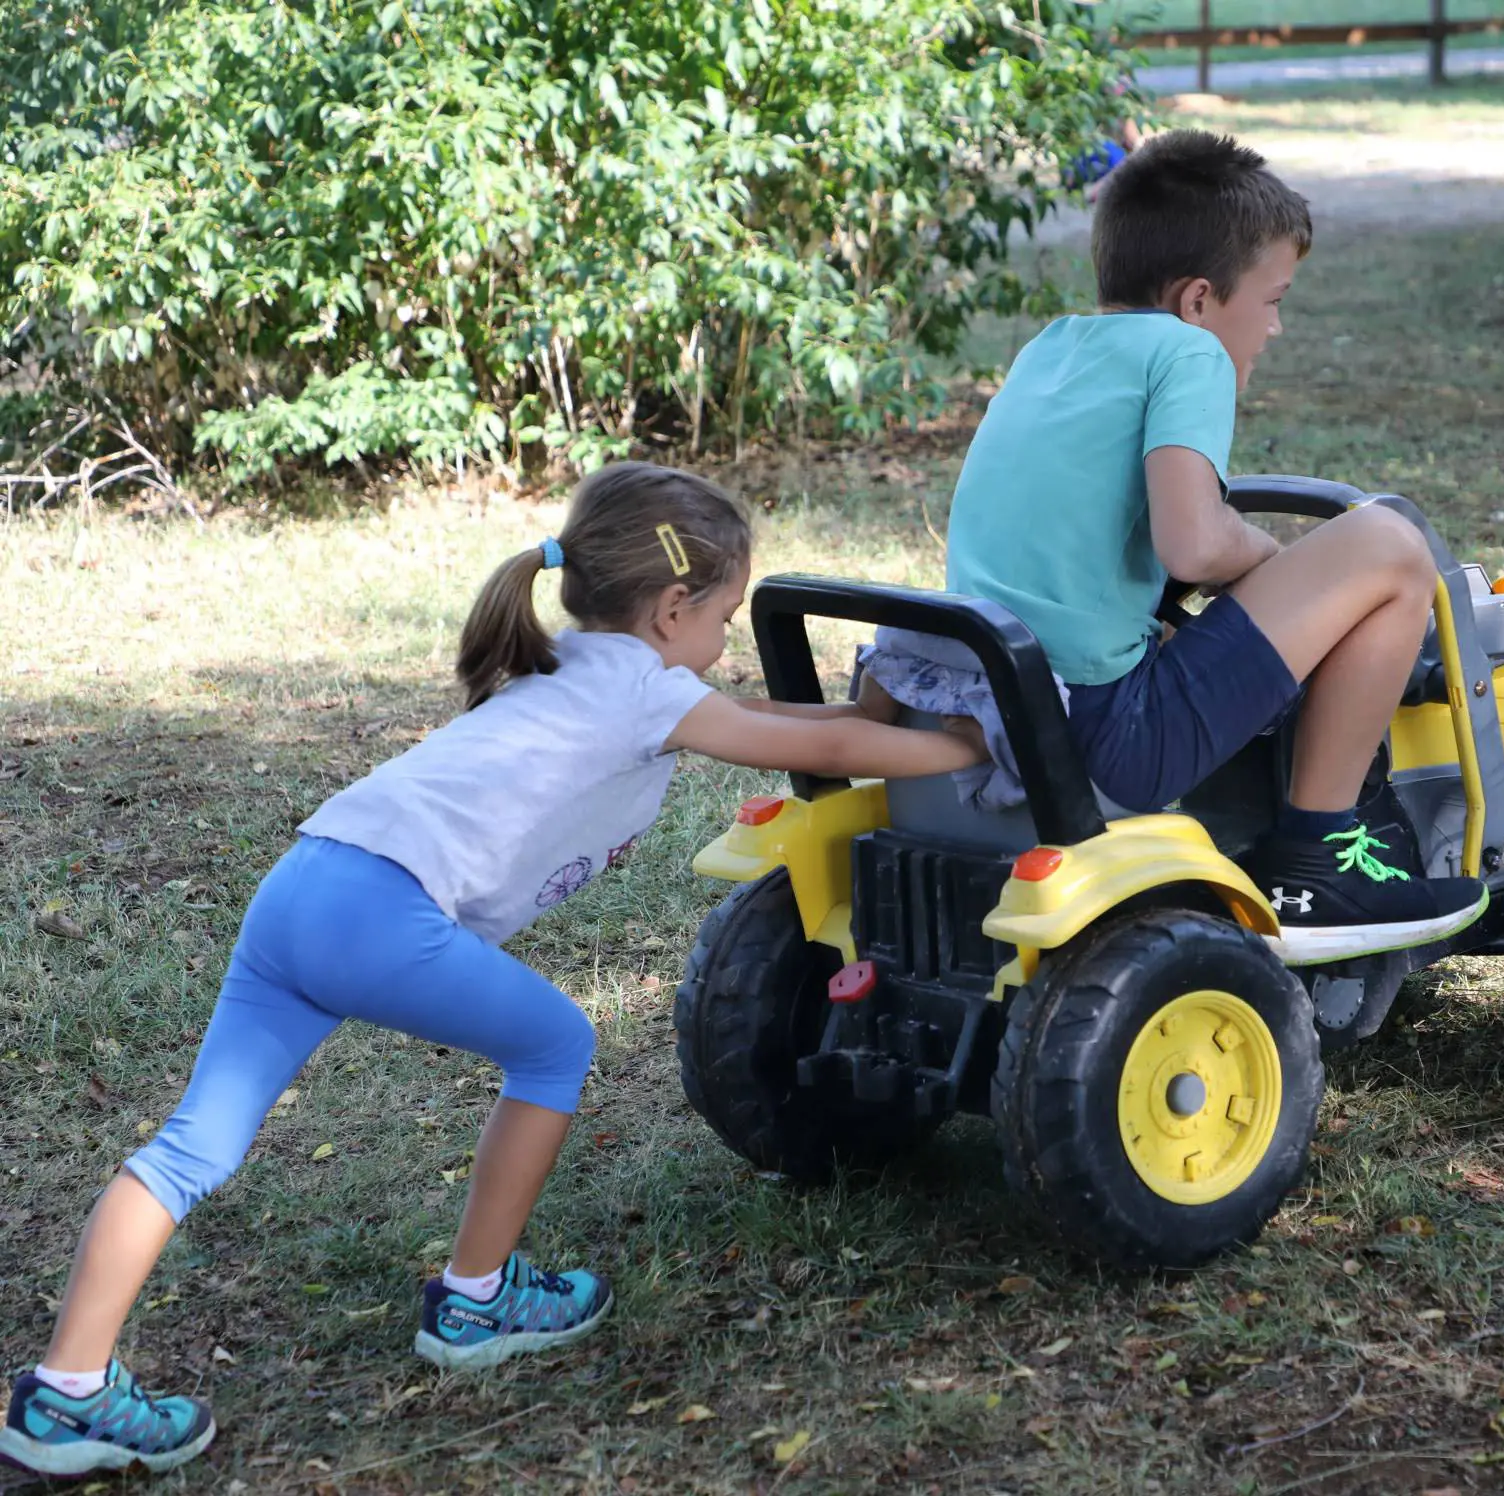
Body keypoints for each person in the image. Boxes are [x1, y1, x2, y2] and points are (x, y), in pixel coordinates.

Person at [2, 462, 984, 1478]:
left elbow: (787, 719)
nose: (726, 638)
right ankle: (477, 1296)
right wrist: (962, 749)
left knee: (189, 1147)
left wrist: (882, 725)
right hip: (382, 909)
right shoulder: (645, 689)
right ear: (671, 608)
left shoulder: (579, 659)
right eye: (725, 615)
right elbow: (778, 731)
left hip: (304, 883)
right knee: (558, 1042)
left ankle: (65, 1391)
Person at [942, 129, 1489, 966]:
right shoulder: (1187, 353)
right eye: (1273, 300)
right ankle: (1320, 854)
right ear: (1198, 300)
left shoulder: (1049, 348)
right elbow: (1195, 544)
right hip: (1110, 736)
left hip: (1006, 694)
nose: (1274, 328)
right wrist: (1265, 555)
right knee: (1390, 545)